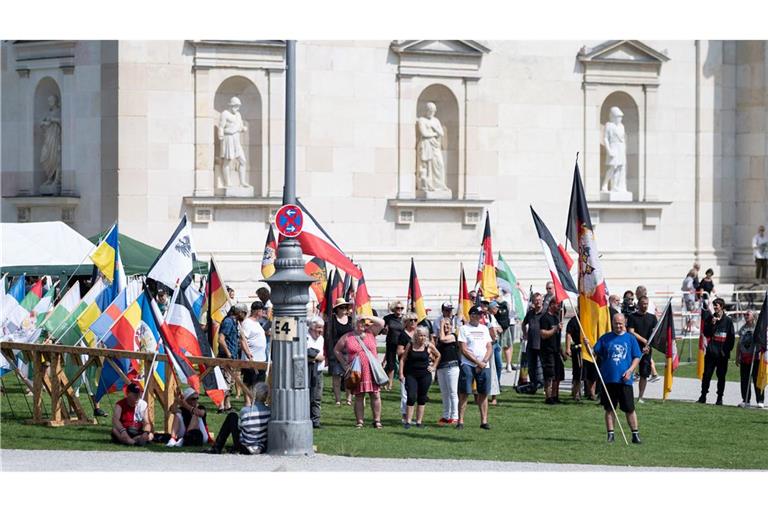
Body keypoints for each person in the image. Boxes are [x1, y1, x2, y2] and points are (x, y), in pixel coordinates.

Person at [593, 313, 642, 444]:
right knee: (609, 409)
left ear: (624, 323)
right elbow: (595, 352)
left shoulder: (630, 339)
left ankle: (635, 435)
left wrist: (630, 370)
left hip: (624, 380)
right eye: (616, 323)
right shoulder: (605, 338)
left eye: (620, 323)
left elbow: (637, 356)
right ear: (612, 323)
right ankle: (610, 435)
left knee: (630, 409)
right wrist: (588, 346)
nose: (618, 326)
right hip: (609, 379)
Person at [334, 315, 386, 429]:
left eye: (364, 322)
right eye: (360, 322)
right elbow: (337, 350)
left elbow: (382, 323)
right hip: (357, 370)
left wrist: (367, 316)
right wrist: (344, 363)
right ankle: (360, 421)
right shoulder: (348, 336)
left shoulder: (371, 333)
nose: (363, 324)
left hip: (372, 370)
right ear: (354, 323)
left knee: (375, 394)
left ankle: (377, 420)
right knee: (359, 396)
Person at [206, 382, 270, 454]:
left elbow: (240, 427)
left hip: (244, 447)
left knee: (232, 416)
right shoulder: (269, 412)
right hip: (261, 448)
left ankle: (217, 447)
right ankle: (222, 448)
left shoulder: (245, 411)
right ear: (266, 396)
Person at [457, 306, 493, 430]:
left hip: (483, 364)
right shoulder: (464, 329)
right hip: (468, 364)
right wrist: (477, 362)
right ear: (471, 315)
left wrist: (483, 361)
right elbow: (464, 349)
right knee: (464, 392)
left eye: (481, 314)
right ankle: (460, 420)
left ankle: (484, 421)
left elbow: (489, 347)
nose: (479, 316)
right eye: (477, 314)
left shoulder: (484, 328)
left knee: (483, 393)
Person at [399, 326, 441, 428]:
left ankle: (419, 422)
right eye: (420, 335)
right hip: (411, 374)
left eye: (424, 335)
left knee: (422, 398)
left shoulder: (429, 346)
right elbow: (402, 359)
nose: (422, 337)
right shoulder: (410, 344)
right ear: (416, 336)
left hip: (425, 375)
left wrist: (434, 366)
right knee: (411, 396)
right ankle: (408, 421)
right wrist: (401, 373)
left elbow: (438, 355)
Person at [697, 298, 735, 405]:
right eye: (714, 306)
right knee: (707, 375)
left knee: (721, 376)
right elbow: (707, 333)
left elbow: (731, 338)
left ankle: (719, 398)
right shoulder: (710, 318)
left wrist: (726, 351)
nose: (715, 308)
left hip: (722, 355)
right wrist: (712, 324)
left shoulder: (728, 321)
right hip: (711, 353)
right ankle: (703, 396)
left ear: (722, 306)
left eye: (716, 305)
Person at [627, 296, 660, 404]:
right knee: (629, 370)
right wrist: (643, 340)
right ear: (638, 304)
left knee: (644, 374)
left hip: (647, 349)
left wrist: (649, 344)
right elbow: (631, 331)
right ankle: (627, 394)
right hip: (634, 347)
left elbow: (655, 333)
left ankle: (640, 396)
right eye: (643, 303)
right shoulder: (632, 317)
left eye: (646, 303)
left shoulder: (652, 318)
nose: (645, 306)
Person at [217, 303, 247, 412]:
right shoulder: (228, 322)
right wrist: (228, 353)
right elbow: (221, 339)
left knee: (230, 382)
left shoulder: (235, 322)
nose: (245, 316)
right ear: (239, 313)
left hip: (232, 356)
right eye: (244, 313)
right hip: (226, 357)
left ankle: (227, 405)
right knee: (225, 381)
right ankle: (221, 405)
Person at [326, 298, 354, 406]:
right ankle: (338, 399)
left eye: (345, 307)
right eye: (342, 307)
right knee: (336, 376)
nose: (344, 309)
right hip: (336, 351)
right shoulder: (332, 321)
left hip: (348, 351)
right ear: (337, 309)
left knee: (348, 376)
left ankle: (348, 399)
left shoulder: (351, 320)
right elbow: (329, 336)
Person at [735, 310, 765, 408]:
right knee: (744, 380)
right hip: (744, 358)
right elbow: (739, 343)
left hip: (755, 358)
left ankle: (760, 400)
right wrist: (737, 356)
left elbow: (762, 342)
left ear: (753, 316)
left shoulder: (758, 329)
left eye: (748, 314)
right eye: (745, 314)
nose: (745, 316)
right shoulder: (743, 328)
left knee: (757, 379)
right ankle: (746, 400)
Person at [240, 301, 268, 405]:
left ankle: (256, 403)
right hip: (251, 359)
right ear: (257, 311)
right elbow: (243, 339)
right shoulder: (247, 323)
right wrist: (248, 353)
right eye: (262, 311)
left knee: (259, 383)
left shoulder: (257, 323)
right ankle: (248, 403)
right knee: (249, 382)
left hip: (260, 359)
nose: (264, 313)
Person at [436, 316, 460, 425]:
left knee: (453, 392)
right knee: (444, 393)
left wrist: (441, 325)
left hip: (452, 366)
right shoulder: (439, 338)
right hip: (441, 367)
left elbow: (443, 339)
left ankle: (455, 416)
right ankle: (446, 415)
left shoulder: (453, 336)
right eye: (444, 325)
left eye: (448, 324)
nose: (446, 326)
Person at [539, 299, 564, 404]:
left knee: (558, 374)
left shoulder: (556, 318)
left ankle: (555, 395)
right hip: (547, 351)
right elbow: (543, 334)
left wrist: (562, 351)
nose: (559, 307)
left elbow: (558, 337)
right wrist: (555, 329)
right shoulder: (545, 318)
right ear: (552, 305)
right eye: (557, 305)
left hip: (556, 351)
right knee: (549, 375)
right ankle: (548, 396)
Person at [397, 313, 418, 422]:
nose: (413, 322)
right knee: (405, 393)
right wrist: (411, 350)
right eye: (411, 320)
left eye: (415, 320)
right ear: (406, 322)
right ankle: (405, 416)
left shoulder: (419, 334)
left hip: (418, 367)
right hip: (406, 367)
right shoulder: (403, 335)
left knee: (415, 393)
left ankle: (413, 416)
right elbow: (399, 351)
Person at [521, 293, 544, 393]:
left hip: (542, 344)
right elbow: (523, 323)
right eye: (536, 300)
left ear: (542, 300)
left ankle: (544, 386)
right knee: (532, 367)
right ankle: (533, 385)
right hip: (531, 344)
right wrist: (525, 333)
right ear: (533, 301)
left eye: (539, 299)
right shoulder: (530, 313)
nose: (538, 301)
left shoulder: (545, 313)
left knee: (543, 367)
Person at [306, 316, 326, 427]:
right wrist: (316, 356)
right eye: (318, 328)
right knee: (307, 396)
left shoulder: (321, 338)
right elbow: (306, 351)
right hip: (308, 370)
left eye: (322, 328)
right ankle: (307, 419)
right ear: (312, 327)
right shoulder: (306, 337)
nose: (321, 330)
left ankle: (316, 421)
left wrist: (316, 356)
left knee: (317, 397)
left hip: (318, 371)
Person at [381, 301, 405, 390]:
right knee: (390, 365)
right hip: (391, 342)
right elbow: (382, 330)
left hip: (402, 344)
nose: (400, 310)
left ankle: (404, 382)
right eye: (398, 308)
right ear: (393, 309)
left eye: (401, 308)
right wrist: (384, 330)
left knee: (403, 362)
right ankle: (389, 383)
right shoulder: (388, 318)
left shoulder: (405, 318)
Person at [565, 311, 584, 401]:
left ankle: (590, 392)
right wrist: (568, 348)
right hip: (578, 348)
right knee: (578, 371)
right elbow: (568, 334)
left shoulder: (588, 319)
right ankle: (576, 392)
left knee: (590, 373)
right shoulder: (574, 321)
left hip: (589, 348)